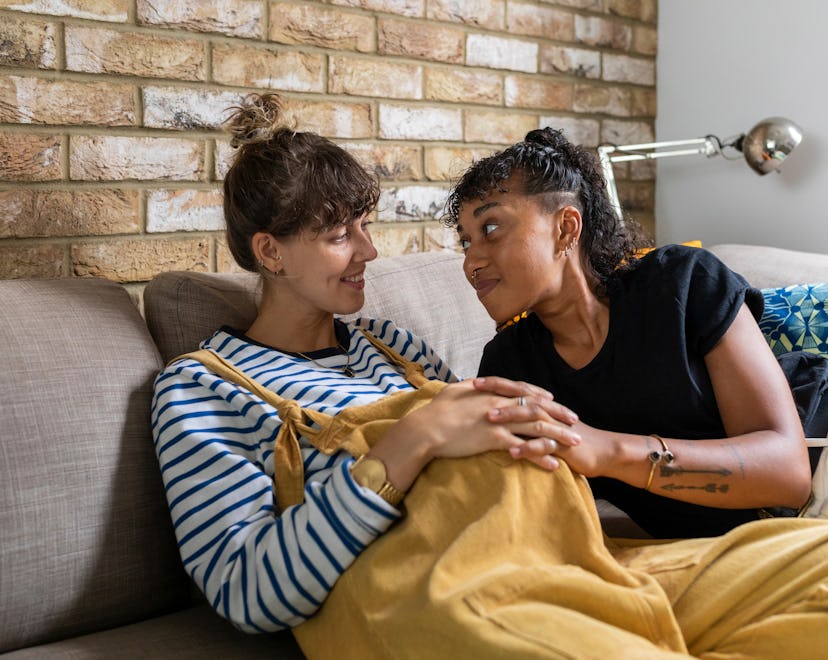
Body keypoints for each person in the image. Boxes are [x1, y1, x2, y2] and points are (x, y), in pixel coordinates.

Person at [149, 93, 579, 636]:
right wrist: (413, 438)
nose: (368, 252)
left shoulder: (389, 344)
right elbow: (246, 590)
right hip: (438, 595)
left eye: (364, 226)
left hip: (535, 544)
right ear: (271, 253)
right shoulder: (200, 386)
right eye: (338, 236)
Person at [445, 126, 814, 539]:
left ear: (567, 228)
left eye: (491, 229)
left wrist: (607, 451)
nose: (471, 263)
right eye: (465, 242)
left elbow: (789, 473)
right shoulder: (510, 367)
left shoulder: (680, 283)